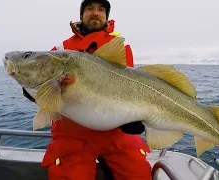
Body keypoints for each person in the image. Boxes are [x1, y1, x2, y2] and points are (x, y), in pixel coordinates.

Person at [22, 0, 152, 179]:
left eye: (101, 9)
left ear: (106, 16)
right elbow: (40, 82)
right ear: (82, 15)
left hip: (115, 133)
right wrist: (29, 90)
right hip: (71, 135)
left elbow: (128, 88)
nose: (95, 13)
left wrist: (134, 117)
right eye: (90, 8)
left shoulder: (120, 48)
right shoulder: (60, 50)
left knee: (137, 171)